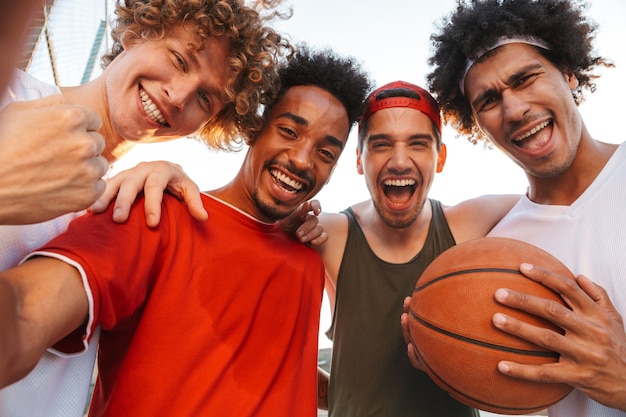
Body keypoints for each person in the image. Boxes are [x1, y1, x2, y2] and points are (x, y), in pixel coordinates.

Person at [0, 45, 372, 416]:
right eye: (289, 131)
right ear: (254, 128)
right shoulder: (152, 209)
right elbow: (25, 314)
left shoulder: (308, 260)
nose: (302, 159)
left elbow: (264, 372)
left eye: (326, 153)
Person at [418, 0, 626, 415]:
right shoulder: (499, 248)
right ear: (476, 123)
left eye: (525, 78)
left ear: (567, 72)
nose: (514, 110)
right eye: (489, 101)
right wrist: (443, 354)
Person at [312, 80, 518, 416]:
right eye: (380, 145)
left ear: (440, 157)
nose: (399, 161)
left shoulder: (471, 223)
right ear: (359, 160)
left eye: (418, 144)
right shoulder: (329, 234)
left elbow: (560, 198)